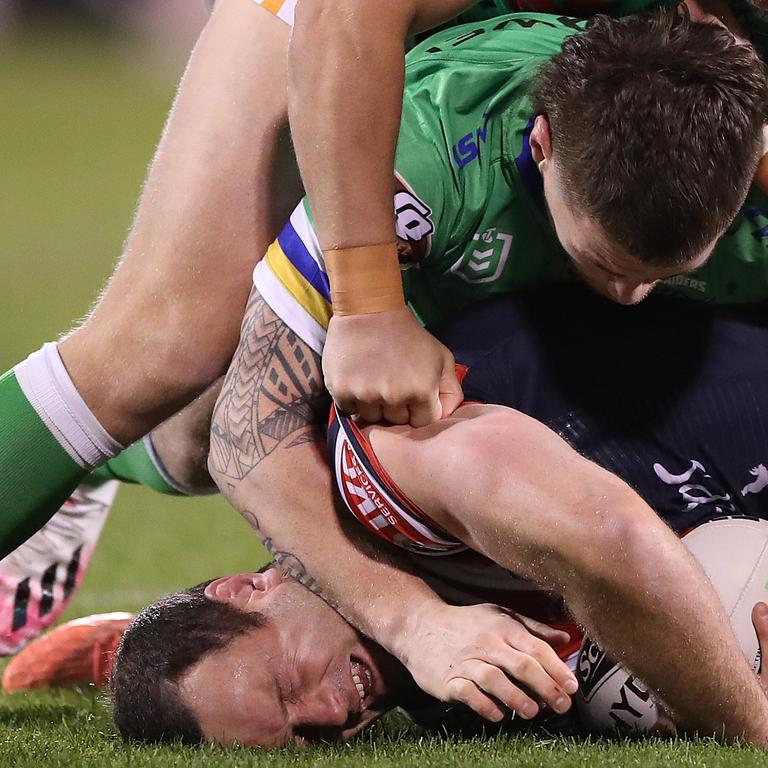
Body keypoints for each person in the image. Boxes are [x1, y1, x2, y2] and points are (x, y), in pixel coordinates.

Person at [208, 9, 768, 740]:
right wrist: (370, 312)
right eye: (606, 264)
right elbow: (241, 439)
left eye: (667, 275)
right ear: (543, 149)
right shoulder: (424, 162)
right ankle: (116, 467)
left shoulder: (744, 166)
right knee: (184, 386)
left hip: (650, 405)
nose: (630, 295)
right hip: (446, 370)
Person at [113, 287, 768, 746]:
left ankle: (94, 458)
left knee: (183, 427)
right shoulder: (458, 702)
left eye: (286, 687)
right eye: (306, 738)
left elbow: (614, 538)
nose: (335, 712)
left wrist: (745, 716)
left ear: (245, 590)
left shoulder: (383, 481)